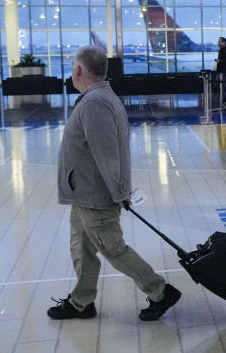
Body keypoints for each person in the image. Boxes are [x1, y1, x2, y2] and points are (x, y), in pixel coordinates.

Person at [48, 45, 180, 322]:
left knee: (113, 249)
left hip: (96, 197)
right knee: (81, 247)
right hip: (82, 194)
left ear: (78, 70)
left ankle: (160, 291)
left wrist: (120, 192)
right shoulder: (97, 98)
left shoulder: (96, 103)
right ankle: (81, 302)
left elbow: (106, 153)